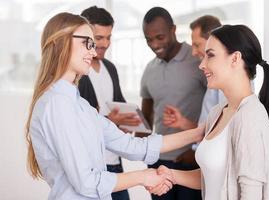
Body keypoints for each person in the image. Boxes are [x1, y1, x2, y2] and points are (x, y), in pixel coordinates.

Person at [25, 12, 205, 200]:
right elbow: (87, 183)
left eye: (92, 44)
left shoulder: (79, 105)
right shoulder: (57, 104)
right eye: (87, 43)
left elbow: (134, 146)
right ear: (60, 42)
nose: (93, 52)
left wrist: (200, 132)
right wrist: (143, 177)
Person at [150, 24, 269, 200]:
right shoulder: (217, 112)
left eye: (210, 55)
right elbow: (210, 177)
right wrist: (171, 174)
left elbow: (251, 193)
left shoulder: (250, 115)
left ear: (235, 59)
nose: (202, 64)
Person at [140, 7, 207, 200]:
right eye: (148, 39)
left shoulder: (198, 61)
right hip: (159, 161)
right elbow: (146, 118)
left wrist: (196, 150)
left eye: (159, 37)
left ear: (173, 30)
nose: (154, 44)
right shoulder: (149, 69)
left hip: (191, 159)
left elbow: (216, 107)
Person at [79, 6, 138, 200]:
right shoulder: (77, 73)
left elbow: (118, 105)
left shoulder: (110, 68)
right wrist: (108, 121)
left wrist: (126, 121)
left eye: (109, 37)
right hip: (90, 166)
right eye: (99, 38)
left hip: (114, 161)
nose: (105, 44)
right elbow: (76, 122)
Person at [163, 15, 224, 132]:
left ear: (213, 41)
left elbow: (220, 132)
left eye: (197, 45)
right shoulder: (213, 77)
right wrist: (183, 123)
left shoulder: (225, 80)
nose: (193, 52)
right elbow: (208, 130)